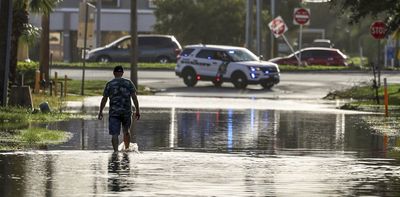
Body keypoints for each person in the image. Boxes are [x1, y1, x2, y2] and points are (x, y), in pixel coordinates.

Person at [98, 65, 140, 152]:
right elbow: (134, 97)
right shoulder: (128, 83)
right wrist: (137, 110)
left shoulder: (109, 84)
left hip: (114, 113)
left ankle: (115, 152)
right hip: (126, 112)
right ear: (122, 73)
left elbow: (104, 99)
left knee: (114, 134)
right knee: (126, 131)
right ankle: (127, 150)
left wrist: (100, 111)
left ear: (114, 73)